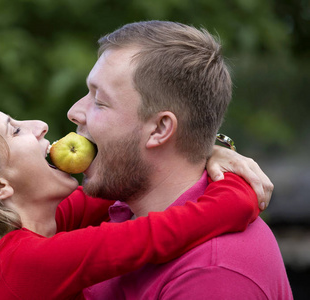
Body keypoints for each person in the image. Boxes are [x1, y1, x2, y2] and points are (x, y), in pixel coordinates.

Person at [0, 89, 268, 300]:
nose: (40, 125)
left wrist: (208, 148)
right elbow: (168, 231)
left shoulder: (24, 235)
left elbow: (143, 173)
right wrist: (237, 184)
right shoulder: (20, 263)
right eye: (14, 131)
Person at [66, 21, 292, 299]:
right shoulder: (121, 205)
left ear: (161, 129)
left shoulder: (213, 275)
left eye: (100, 101)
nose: (74, 111)